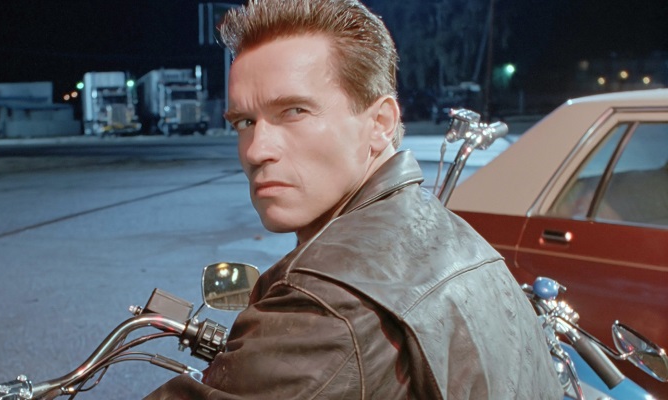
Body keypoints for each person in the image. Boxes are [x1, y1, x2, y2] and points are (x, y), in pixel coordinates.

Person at [145, 0, 562, 398]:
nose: (256, 150)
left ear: (380, 123)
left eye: (293, 111)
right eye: (244, 121)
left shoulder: (327, 303)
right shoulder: (459, 240)